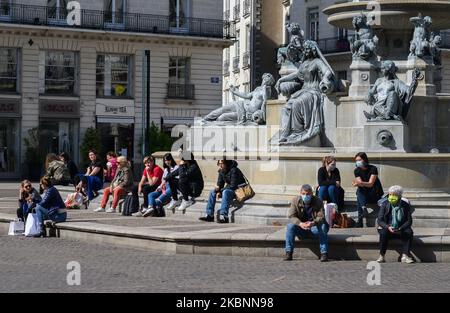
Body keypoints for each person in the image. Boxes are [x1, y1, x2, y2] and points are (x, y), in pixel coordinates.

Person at [273, 40, 335, 145]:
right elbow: (296, 74)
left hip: (313, 91)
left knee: (297, 104)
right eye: (305, 49)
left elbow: (327, 71)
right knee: (286, 108)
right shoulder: (304, 64)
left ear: (313, 50)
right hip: (303, 91)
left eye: (308, 49)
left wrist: (325, 79)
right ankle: (285, 133)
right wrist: (281, 80)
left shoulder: (317, 62)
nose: (306, 51)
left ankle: (297, 132)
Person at [203, 73, 275, 125]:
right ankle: (205, 119)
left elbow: (265, 103)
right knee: (222, 109)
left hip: (244, 113)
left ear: (270, 81)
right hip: (241, 104)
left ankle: (211, 123)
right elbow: (246, 95)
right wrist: (235, 92)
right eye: (264, 79)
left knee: (223, 117)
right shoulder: (258, 89)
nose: (264, 80)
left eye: (266, 79)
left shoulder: (267, 91)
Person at [284, 184, 329, 262]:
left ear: (312, 193)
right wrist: (300, 224)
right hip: (301, 229)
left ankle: (324, 253)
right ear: (300, 193)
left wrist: (313, 223)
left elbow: (321, 217)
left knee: (323, 226)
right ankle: (289, 252)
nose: (306, 196)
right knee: (290, 226)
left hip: (314, 229)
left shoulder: (318, 201)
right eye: (303, 194)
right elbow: (291, 216)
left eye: (308, 194)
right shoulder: (295, 200)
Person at [199, 159, 246, 224]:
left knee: (225, 192)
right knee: (212, 192)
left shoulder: (234, 170)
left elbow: (233, 185)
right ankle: (209, 215)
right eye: (219, 164)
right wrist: (218, 189)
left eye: (222, 164)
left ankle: (224, 217)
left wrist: (220, 191)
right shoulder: (221, 171)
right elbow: (220, 183)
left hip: (238, 190)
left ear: (226, 163)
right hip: (229, 189)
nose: (220, 166)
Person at [376, 185, 415, 264]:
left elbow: (409, 221)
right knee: (383, 233)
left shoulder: (405, 205)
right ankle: (381, 255)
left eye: (394, 195)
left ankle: (405, 255)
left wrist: (401, 228)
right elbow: (380, 220)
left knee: (409, 232)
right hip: (387, 227)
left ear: (400, 196)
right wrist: (388, 227)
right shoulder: (385, 204)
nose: (391, 197)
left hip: (400, 228)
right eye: (390, 194)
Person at [136, 153, 179, 218]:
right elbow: (163, 180)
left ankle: (149, 208)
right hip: (164, 187)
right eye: (165, 160)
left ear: (171, 160)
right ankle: (150, 208)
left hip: (173, 187)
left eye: (168, 160)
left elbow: (152, 183)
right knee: (151, 194)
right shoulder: (166, 169)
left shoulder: (176, 168)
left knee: (156, 198)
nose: (167, 162)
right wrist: (160, 187)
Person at [352, 152, 384, 228]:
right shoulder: (357, 170)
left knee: (359, 195)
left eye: (359, 160)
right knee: (359, 192)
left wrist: (359, 183)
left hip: (375, 194)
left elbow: (370, 184)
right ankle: (363, 208)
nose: (357, 162)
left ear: (364, 159)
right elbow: (359, 182)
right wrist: (357, 184)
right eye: (356, 160)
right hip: (364, 195)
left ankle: (360, 221)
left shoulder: (373, 168)